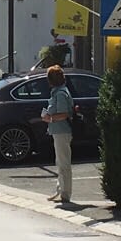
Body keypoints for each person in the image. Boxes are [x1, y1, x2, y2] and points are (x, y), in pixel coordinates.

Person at [42, 64, 78, 206]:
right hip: (59, 130)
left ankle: (65, 193)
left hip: (62, 130)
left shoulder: (60, 94)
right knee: (61, 162)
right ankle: (60, 190)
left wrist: (49, 118)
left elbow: (64, 114)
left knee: (64, 163)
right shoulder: (59, 92)